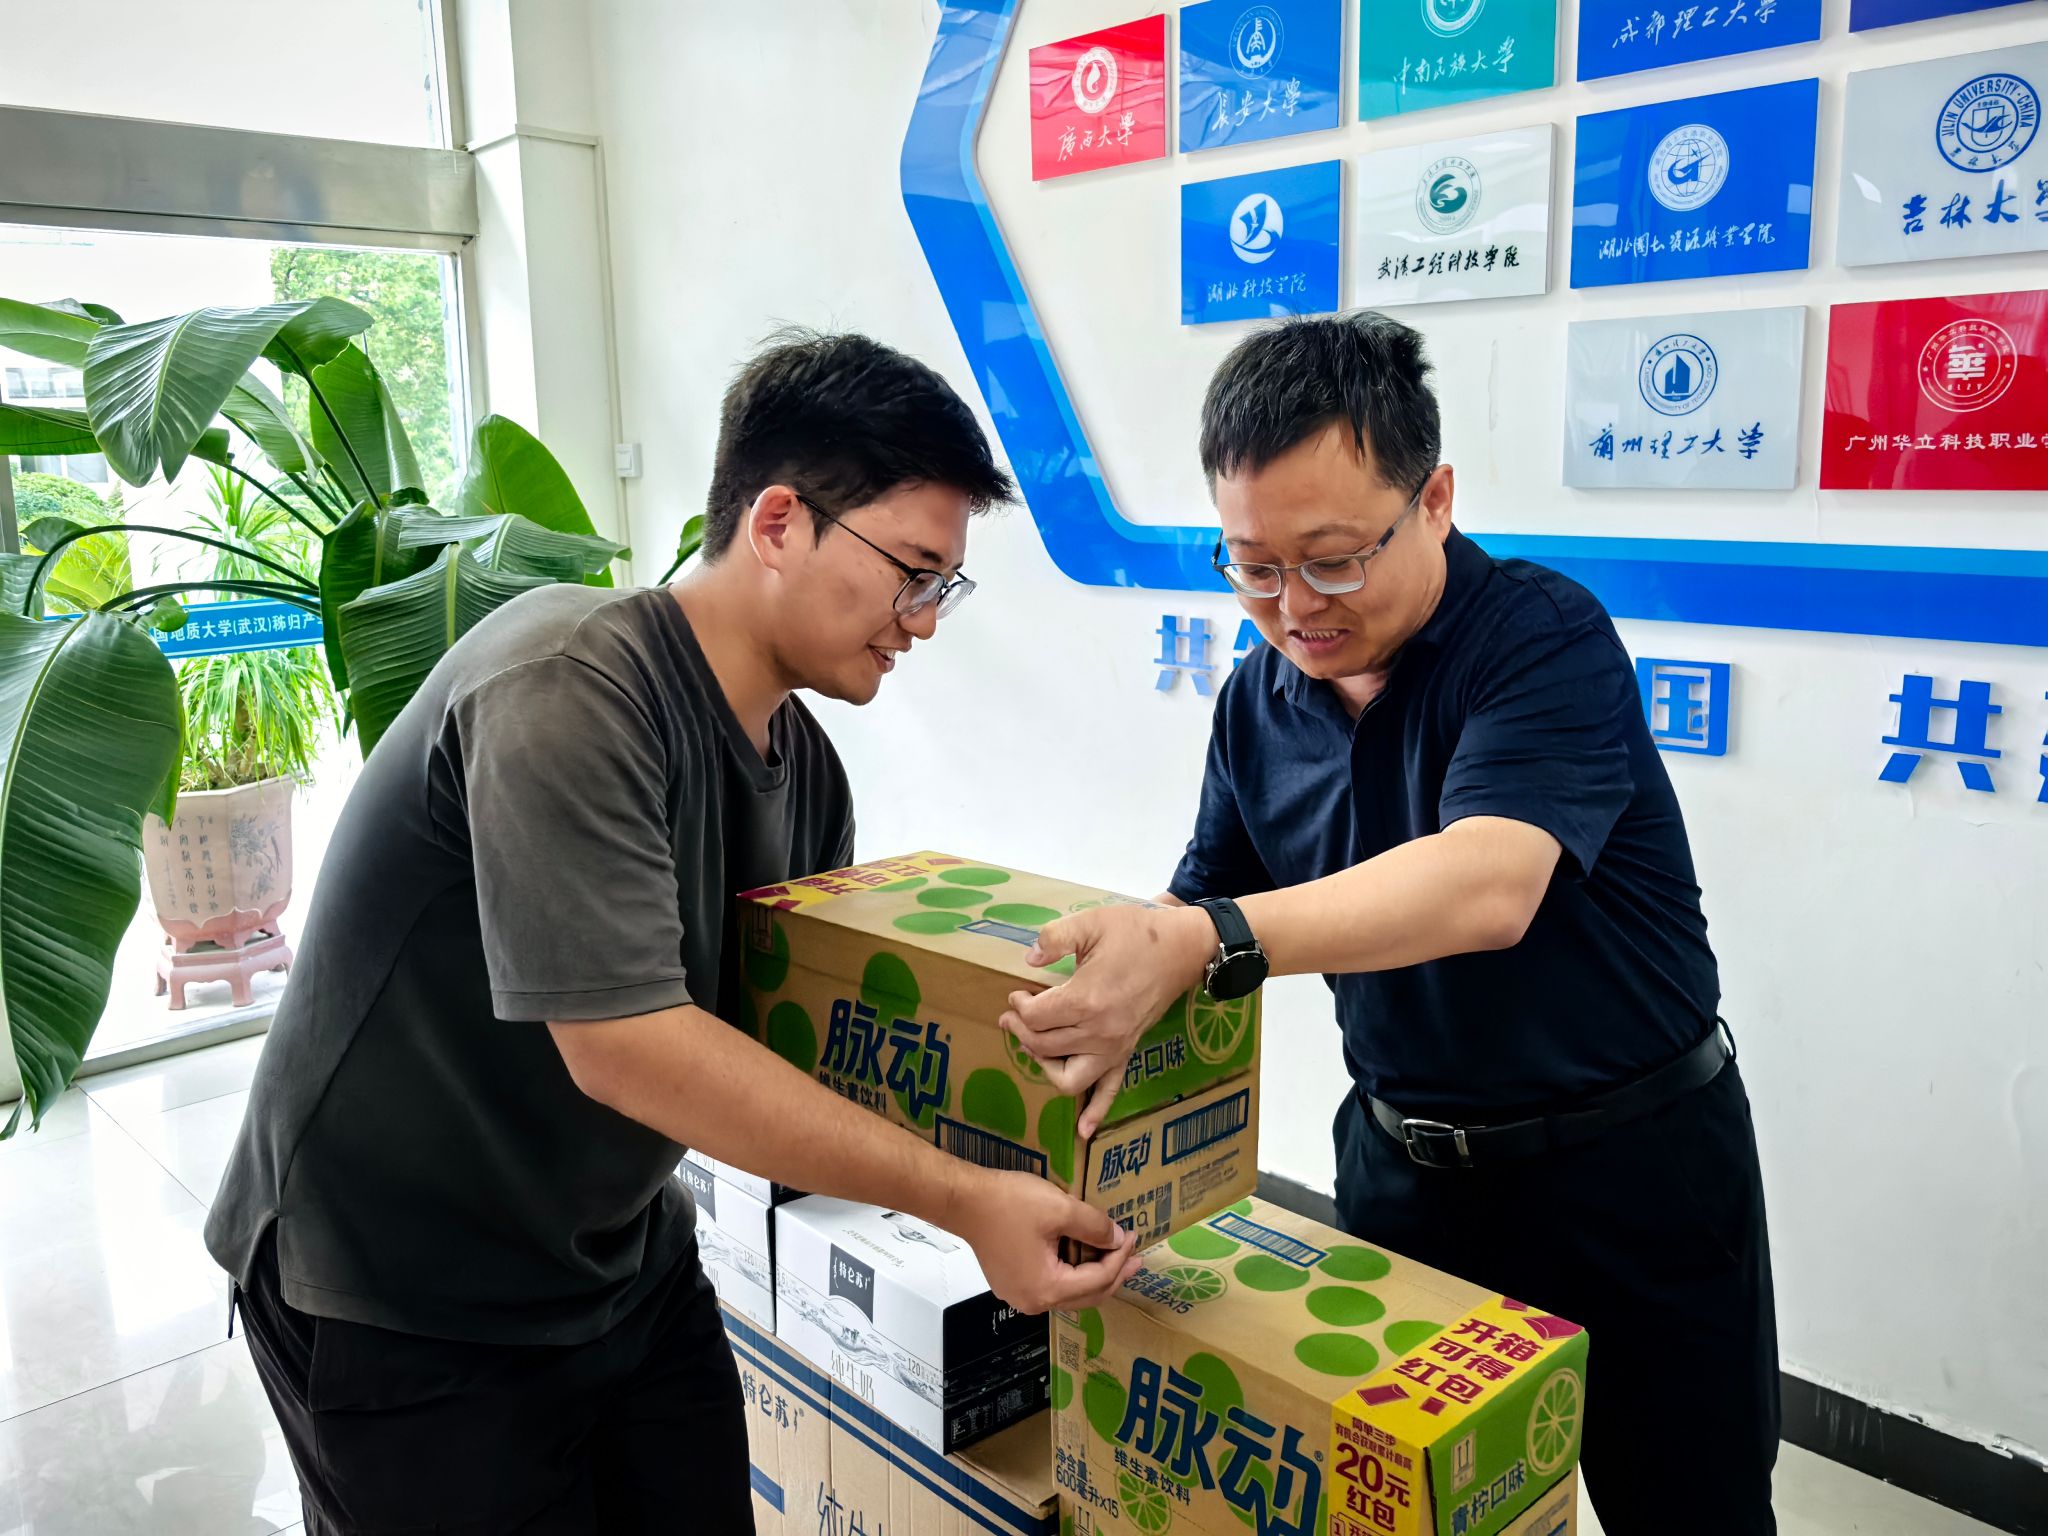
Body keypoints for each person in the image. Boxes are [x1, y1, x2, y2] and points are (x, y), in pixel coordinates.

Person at [206, 329, 1142, 1535]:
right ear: (778, 523)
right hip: (400, 1290)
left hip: (616, 1263)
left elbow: (799, 1041)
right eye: (912, 571)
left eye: (942, 587)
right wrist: (968, 1200)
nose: (922, 620)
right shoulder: (564, 685)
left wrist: (1041, 1056)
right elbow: (627, 1046)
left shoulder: (806, 774)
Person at [1002, 312, 1778, 1533]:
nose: (1290, 607)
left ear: (1435, 501)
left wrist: (1204, 941)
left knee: (1688, 1507)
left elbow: (1486, 884)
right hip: (1402, 1179)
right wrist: (1099, 1000)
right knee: (1404, 1513)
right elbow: (1197, 903)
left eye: (1330, 561)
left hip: (1630, 1172)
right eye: (1251, 567)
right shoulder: (1256, 701)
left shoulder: (1540, 639)